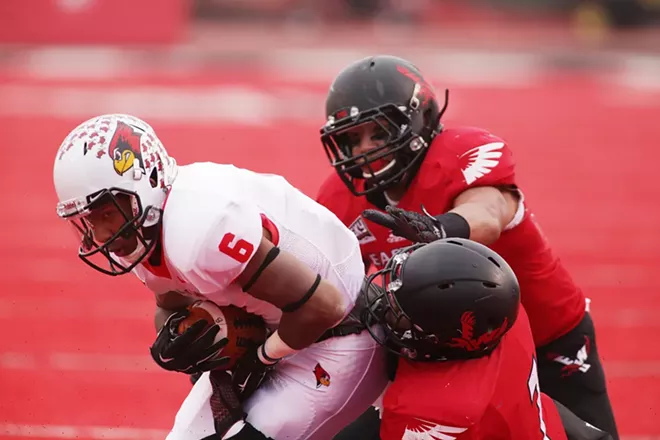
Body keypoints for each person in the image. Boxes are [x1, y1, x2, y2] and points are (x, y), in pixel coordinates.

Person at [317, 55, 618, 439]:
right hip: (446, 356)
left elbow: (490, 213)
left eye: (378, 132)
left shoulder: (459, 154)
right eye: (351, 138)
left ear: (416, 120)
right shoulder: (337, 199)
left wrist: (443, 228)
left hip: (545, 334)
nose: (364, 149)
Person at [52, 113, 388, 440]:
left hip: (342, 335)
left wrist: (258, 358)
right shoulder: (147, 225)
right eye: (88, 219)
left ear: (148, 179)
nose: (101, 233)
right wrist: (178, 339)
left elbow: (324, 306)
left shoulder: (198, 230)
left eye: (107, 213)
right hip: (288, 329)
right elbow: (170, 302)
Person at [360, 238, 613, 440]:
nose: (387, 304)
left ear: (436, 337)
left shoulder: (424, 407)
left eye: (400, 310)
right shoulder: (506, 319)